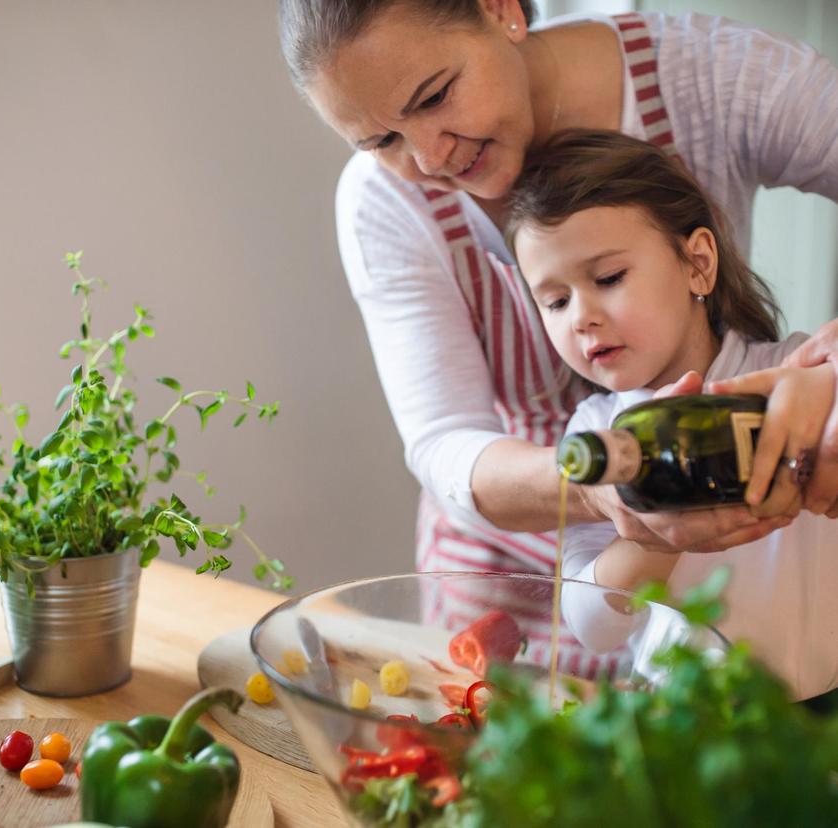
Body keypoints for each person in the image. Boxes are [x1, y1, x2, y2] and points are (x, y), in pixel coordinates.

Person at [278, 0, 838, 575]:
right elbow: (444, 443)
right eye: (380, 142)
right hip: (505, 571)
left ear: (500, 11)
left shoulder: (713, 75)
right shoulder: (386, 205)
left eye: (435, 96)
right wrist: (604, 486)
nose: (430, 156)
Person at [504, 129, 837, 699]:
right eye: (555, 301)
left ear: (697, 263)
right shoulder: (596, 431)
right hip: (672, 721)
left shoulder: (793, 373)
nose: (580, 317)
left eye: (608, 278)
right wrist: (655, 532)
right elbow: (593, 627)